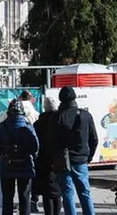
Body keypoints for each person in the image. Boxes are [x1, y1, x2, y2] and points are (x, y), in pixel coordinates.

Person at [0, 90, 40, 215]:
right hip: (25, 165)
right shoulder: (28, 125)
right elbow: (35, 146)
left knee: (7, 198)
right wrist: (31, 158)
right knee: (24, 198)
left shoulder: (3, 126)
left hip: (7, 164)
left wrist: (0, 158)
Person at [55, 86, 98, 215]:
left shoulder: (57, 117)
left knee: (67, 194)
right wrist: (88, 156)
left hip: (63, 160)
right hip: (81, 159)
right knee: (85, 192)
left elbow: (52, 141)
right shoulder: (85, 115)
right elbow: (94, 139)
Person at [34, 98, 62, 215]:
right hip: (57, 160)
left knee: (47, 193)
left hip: (42, 161)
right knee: (57, 192)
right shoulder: (59, 122)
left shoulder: (38, 123)